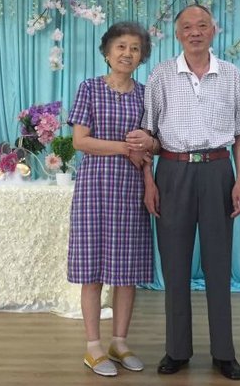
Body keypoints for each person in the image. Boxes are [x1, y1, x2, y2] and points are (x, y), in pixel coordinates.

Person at [128, 4, 240, 381]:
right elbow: (148, 134)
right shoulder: (161, 75)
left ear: (214, 30)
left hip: (218, 170)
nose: (195, 32)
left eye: (202, 25)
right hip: (172, 171)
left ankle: (224, 353)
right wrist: (149, 181)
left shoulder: (231, 75)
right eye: (187, 27)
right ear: (177, 33)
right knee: (175, 265)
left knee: (218, 264)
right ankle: (177, 350)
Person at [67, 22, 154, 377]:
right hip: (94, 189)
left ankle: (119, 342)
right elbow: (80, 141)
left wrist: (148, 171)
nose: (127, 53)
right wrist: (124, 148)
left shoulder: (146, 95)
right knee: (92, 270)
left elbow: (150, 146)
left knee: (126, 271)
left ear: (142, 56)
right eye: (121, 46)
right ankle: (93, 347)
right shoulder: (89, 88)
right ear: (106, 52)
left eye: (135, 48)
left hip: (131, 190)